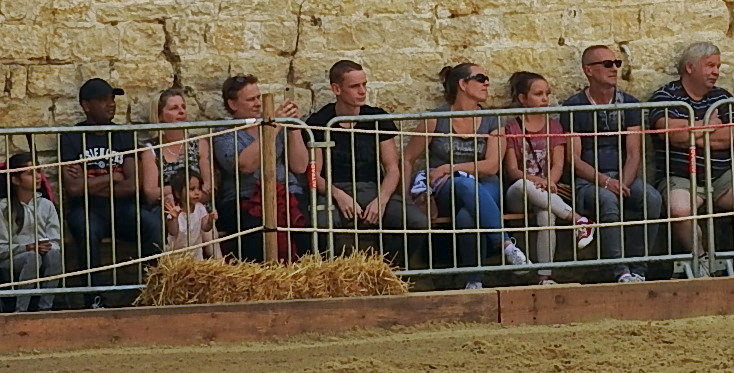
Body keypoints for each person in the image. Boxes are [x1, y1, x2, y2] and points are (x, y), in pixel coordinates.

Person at [399, 63, 527, 288]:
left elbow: (491, 166)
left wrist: (450, 167)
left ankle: (473, 281)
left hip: (485, 183)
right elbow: (407, 158)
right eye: (480, 78)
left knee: (467, 216)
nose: (487, 83)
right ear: (462, 84)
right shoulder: (436, 119)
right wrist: (405, 199)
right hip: (448, 188)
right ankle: (506, 245)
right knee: (464, 186)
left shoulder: (493, 120)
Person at [652, 42, 734, 276]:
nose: (716, 72)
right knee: (679, 209)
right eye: (710, 65)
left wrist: (691, 133)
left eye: (718, 66)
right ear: (690, 67)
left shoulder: (722, 96)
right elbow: (668, 133)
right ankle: (700, 259)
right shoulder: (665, 95)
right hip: (679, 175)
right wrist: (709, 127)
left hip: (721, 174)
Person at [562, 45, 666, 284]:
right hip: (588, 182)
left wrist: (621, 183)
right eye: (607, 64)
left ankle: (639, 268)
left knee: (651, 198)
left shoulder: (629, 103)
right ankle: (619, 271)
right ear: (588, 70)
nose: (614, 69)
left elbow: (633, 153)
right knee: (607, 200)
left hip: (623, 178)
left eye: (616, 63)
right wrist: (607, 183)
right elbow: (574, 159)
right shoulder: (574, 107)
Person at [306, 61, 425, 266]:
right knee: (324, 225)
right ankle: (339, 277)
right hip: (334, 190)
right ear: (336, 89)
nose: (362, 92)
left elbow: (392, 168)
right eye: (355, 86)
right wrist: (338, 195)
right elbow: (313, 173)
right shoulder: (320, 121)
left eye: (364, 85)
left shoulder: (376, 117)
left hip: (372, 188)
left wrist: (382, 199)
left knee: (417, 222)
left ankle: (390, 270)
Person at [59, 78, 159, 296]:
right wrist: (113, 176)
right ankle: (94, 298)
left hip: (122, 208)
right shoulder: (71, 137)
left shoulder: (123, 135)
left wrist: (89, 182)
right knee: (86, 229)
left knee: (152, 224)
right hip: (86, 209)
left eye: (112, 99)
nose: (111, 104)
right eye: (103, 100)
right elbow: (74, 189)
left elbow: (133, 185)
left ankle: (153, 293)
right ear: (86, 105)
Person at [502, 71, 593, 284]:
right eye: (538, 94)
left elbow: (558, 163)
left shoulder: (554, 127)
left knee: (546, 214)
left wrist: (550, 181)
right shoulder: (512, 128)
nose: (545, 99)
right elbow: (512, 170)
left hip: (547, 193)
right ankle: (578, 220)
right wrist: (540, 182)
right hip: (520, 192)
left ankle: (545, 276)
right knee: (523, 183)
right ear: (523, 98)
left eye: (547, 94)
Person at [209, 75, 311, 264]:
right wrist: (273, 125)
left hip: (287, 193)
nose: (258, 103)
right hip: (246, 198)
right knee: (256, 236)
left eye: (258, 97)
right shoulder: (224, 132)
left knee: (309, 234)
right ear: (232, 104)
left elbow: (300, 166)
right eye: (250, 99)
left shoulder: (277, 125)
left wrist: (293, 127)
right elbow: (245, 166)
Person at [2, 155, 62, 311]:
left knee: (55, 254)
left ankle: (45, 308)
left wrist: (47, 247)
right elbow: (2, 248)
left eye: (38, 171)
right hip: (13, 259)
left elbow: (56, 239)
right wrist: (27, 248)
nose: (37, 177)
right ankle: (20, 310)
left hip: (42, 253)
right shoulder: (3, 208)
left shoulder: (47, 205)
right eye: (30, 173)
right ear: (15, 180)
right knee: (32, 258)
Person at [137, 89, 205, 221]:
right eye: (174, 108)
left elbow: (208, 187)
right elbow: (150, 193)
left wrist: (171, 190)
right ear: (160, 116)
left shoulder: (199, 143)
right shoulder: (151, 150)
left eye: (183, 107)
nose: (181, 112)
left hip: (198, 208)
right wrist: (186, 189)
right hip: (166, 211)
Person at [162, 169, 221, 261]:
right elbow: (173, 232)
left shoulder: (200, 208)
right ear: (178, 193)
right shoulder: (175, 212)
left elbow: (205, 228)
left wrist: (210, 220)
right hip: (177, 259)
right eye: (192, 189)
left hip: (195, 256)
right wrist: (174, 218)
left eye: (199, 189)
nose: (197, 193)